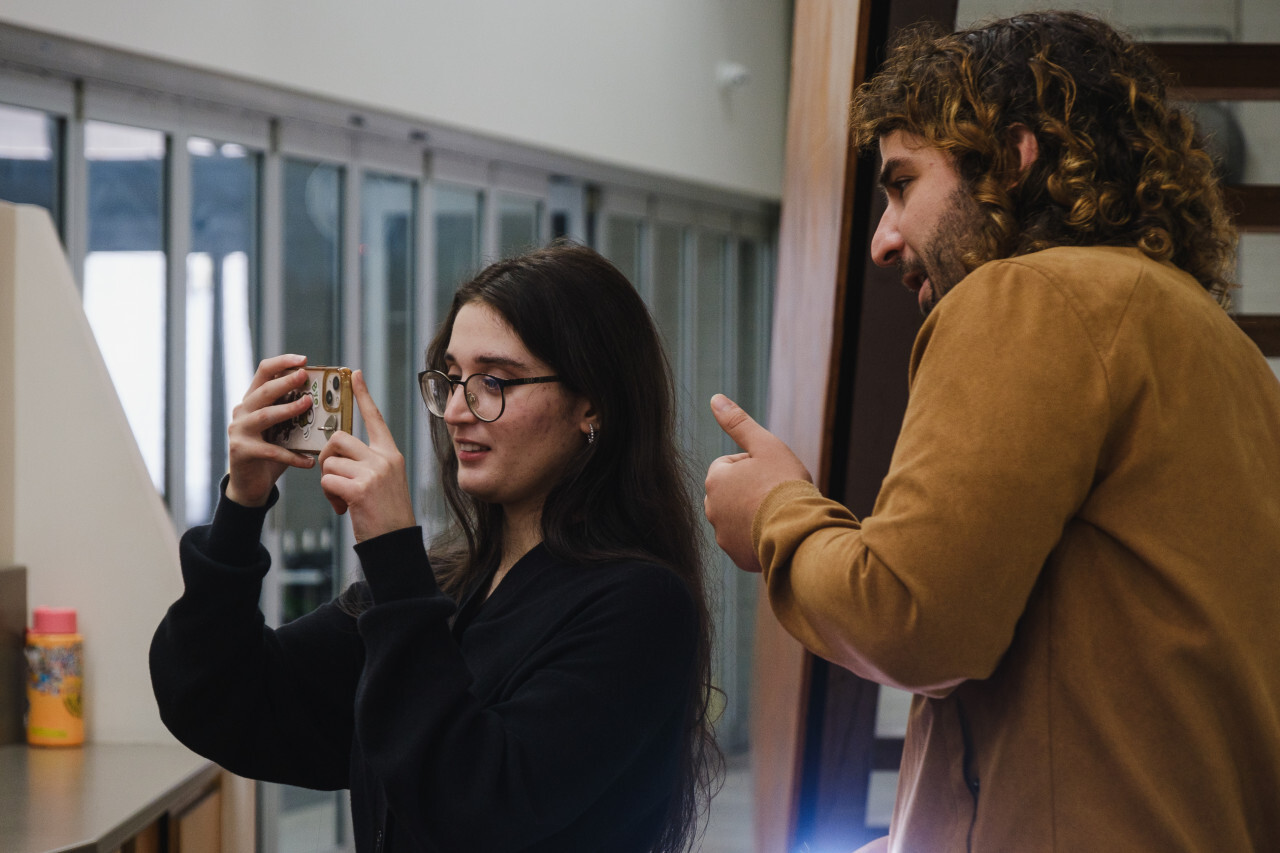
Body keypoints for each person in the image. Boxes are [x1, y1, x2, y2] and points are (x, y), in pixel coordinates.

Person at [704, 11, 1280, 852]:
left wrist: (777, 515)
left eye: (902, 184)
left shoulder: (1029, 298)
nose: (882, 239)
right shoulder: (1221, 348)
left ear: (1015, 158)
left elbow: (910, 619)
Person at [151, 243, 720, 852]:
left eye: (494, 381)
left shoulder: (641, 604)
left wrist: (393, 553)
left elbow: (469, 805)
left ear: (592, 406)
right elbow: (215, 699)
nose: (455, 410)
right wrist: (242, 506)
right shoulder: (448, 584)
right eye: (451, 379)